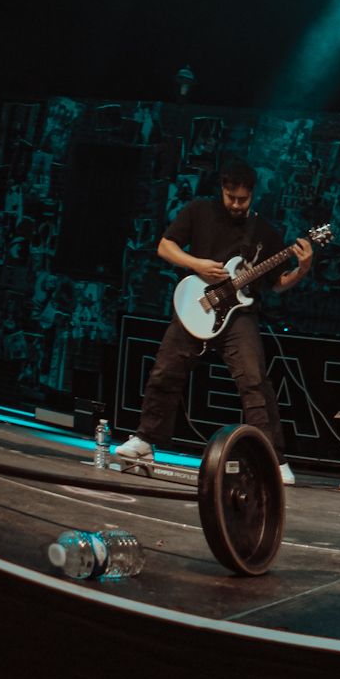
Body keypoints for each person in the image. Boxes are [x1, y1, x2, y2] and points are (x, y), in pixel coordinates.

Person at [112, 161, 313, 485]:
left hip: (240, 316)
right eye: (231, 197)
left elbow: (277, 284)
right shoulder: (199, 211)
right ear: (222, 189)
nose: (236, 204)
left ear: (252, 195)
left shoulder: (264, 232)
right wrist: (197, 265)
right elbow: (165, 247)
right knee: (165, 371)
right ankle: (145, 441)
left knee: (254, 382)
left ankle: (273, 460)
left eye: (242, 199)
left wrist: (301, 270)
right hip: (197, 305)